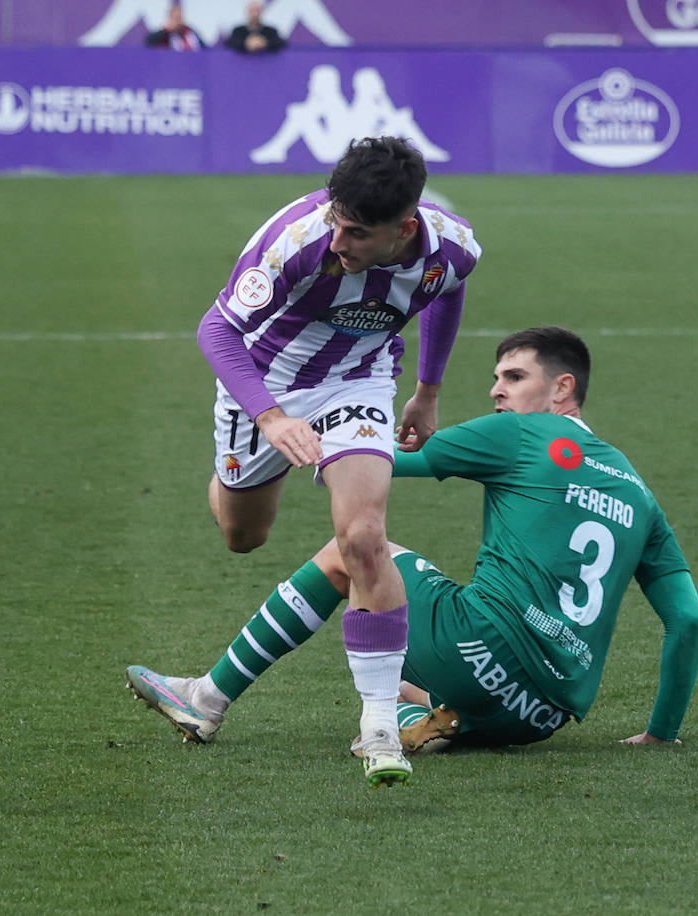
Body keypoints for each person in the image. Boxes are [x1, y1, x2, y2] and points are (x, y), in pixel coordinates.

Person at [126, 328, 698, 782]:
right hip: (538, 717)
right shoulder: (639, 492)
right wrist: (661, 733)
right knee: (392, 649)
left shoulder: (526, 433)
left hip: (478, 652)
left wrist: (289, 442)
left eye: (513, 376)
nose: (496, 390)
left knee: (354, 556)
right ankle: (427, 718)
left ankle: (206, 697)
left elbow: (388, 459)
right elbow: (688, 620)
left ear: (562, 389)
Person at [126, 136, 480, 788]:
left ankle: (379, 728)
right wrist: (271, 418)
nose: (338, 239)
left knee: (363, 536)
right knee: (244, 534)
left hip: (359, 383)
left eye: (356, 232)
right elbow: (217, 331)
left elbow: (448, 290)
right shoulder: (297, 242)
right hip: (263, 382)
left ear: (404, 228)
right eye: (336, 220)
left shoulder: (453, 248)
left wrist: (427, 389)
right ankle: (242, 474)